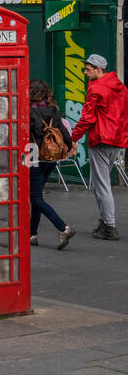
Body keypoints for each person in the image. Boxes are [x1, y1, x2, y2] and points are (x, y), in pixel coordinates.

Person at [71, 53, 128, 240]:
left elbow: (88, 117)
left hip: (101, 139)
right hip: (118, 140)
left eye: (88, 69)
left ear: (98, 69)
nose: (85, 72)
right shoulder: (121, 87)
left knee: (101, 185)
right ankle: (104, 222)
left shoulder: (96, 88)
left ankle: (109, 226)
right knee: (100, 184)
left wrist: (74, 137)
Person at [28, 80, 75, 249]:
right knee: (37, 195)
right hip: (52, 158)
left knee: (35, 197)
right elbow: (63, 132)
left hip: (35, 156)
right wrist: (68, 148)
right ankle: (32, 234)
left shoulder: (28, 112)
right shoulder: (53, 110)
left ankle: (63, 227)